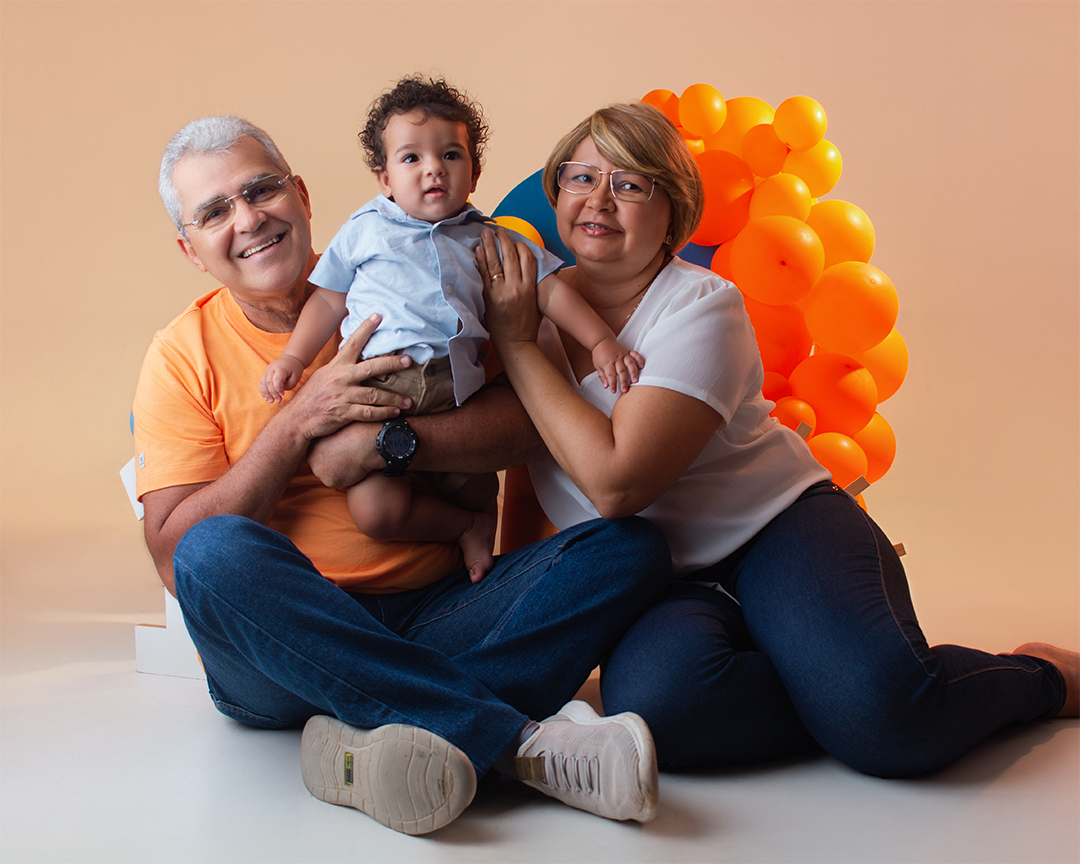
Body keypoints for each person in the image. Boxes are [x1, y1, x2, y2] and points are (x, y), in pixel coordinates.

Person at [475, 101, 1080, 778]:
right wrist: (523, 610)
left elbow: (618, 485)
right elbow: (531, 471)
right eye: (581, 177)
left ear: (673, 212)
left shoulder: (700, 305)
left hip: (780, 531)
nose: (598, 200)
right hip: (665, 581)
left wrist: (518, 346)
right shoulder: (525, 306)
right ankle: (837, 682)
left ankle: (1041, 676)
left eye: (630, 184)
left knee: (892, 725)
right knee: (660, 712)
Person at [133, 113, 674, 835]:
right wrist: (298, 423)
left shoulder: (424, 262)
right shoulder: (180, 356)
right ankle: (515, 742)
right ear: (190, 249)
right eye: (214, 212)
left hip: (440, 612)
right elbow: (174, 557)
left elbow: (526, 423)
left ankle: (367, 734)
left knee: (631, 548)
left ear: (300, 194)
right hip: (283, 646)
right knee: (211, 551)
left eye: (261, 190)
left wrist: (387, 443)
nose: (249, 219)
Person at [260, 76, 642, 582]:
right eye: (411, 158)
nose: (433, 168)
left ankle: (480, 539)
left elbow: (551, 292)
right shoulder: (365, 230)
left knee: (479, 486)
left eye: (451, 155)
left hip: (459, 394)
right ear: (385, 179)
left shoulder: (490, 239)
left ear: (474, 173)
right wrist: (293, 357)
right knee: (377, 513)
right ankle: (463, 528)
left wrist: (601, 341)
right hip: (380, 391)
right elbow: (328, 300)